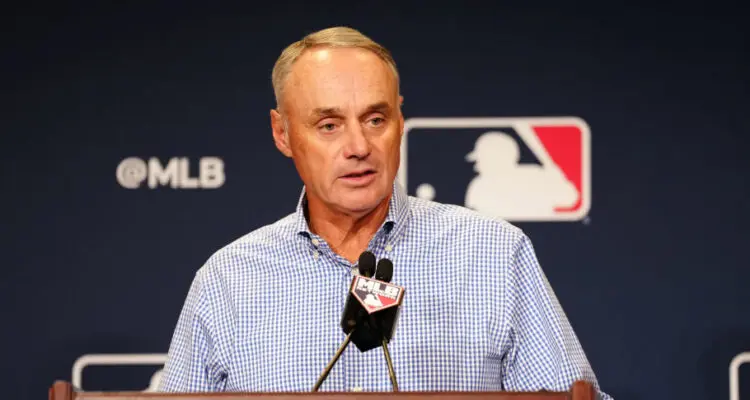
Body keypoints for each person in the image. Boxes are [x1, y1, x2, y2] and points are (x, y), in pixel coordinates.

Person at [157, 26, 613, 399]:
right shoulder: (229, 280)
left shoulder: (493, 254)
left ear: (399, 120)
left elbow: (572, 395)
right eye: (329, 125)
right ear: (283, 133)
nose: (358, 147)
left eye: (375, 119)